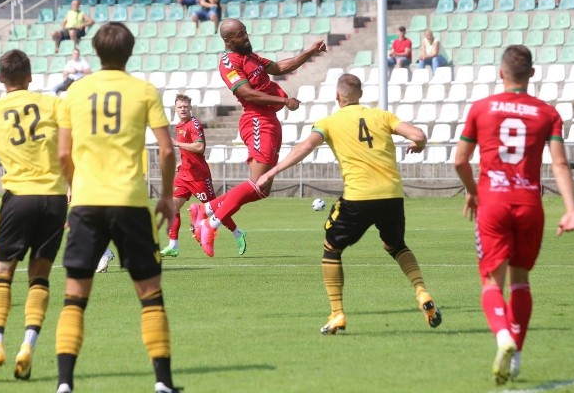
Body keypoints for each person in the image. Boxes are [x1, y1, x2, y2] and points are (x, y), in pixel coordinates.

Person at [255, 73, 441, 335]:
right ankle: (422, 292)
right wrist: (417, 144)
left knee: (331, 247)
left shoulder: (329, 122)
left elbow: (305, 147)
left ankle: (337, 314)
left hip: (358, 197)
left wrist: (270, 173)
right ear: (361, 95)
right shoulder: (382, 115)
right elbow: (419, 134)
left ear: (337, 96)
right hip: (392, 195)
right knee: (395, 245)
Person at [54, 21, 179, 393]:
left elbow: (62, 152)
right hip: (130, 202)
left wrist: (75, 187)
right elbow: (168, 150)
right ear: (130, 51)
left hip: (88, 202)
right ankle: (163, 383)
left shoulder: (75, 92)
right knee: (150, 294)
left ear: (95, 51)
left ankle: (64, 384)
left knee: (74, 296)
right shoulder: (143, 91)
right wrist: (168, 196)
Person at [453, 45, 574, 384]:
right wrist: (571, 209)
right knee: (521, 280)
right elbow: (559, 163)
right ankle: (517, 356)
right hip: (528, 204)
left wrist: (472, 190)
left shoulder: (481, 109)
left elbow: (459, 161)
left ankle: (502, 337)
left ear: (500, 73)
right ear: (532, 75)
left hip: (493, 203)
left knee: (491, 282)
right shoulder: (547, 114)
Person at [0, 49, 68, 379]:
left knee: (2, 272)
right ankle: (28, 346)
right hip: (53, 199)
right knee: (40, 275)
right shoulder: (54, 105)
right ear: (30, 76)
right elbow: (68, 152)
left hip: (18, 199)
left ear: (1, 79)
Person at [193, 20, 327, 257]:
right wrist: (283, 101)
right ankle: (209, 225)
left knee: (262, 189)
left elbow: (279, 67)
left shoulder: (250, 55)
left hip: (269, 120)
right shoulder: (229, 62)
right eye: (240, 34)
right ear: (228, 40)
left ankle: (205, 209)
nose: (246, 36)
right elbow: (245, 92)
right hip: (256, 119)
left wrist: (309, 52)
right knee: (258, 183)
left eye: (245, 31)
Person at [161, 94, 246, 258]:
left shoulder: (194, 125)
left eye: (185, 106)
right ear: (175, 109)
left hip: (199, 177)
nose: (183, 109)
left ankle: (237, 233)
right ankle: (173, 245)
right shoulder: (180, 126)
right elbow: (188, 149)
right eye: (180, 107)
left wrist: (177, 143)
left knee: (217, 209)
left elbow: (199, 147)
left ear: (190, 107)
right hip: (185, 174)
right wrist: (182, 161)